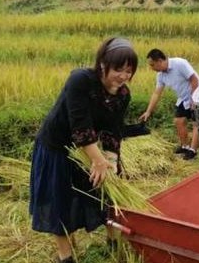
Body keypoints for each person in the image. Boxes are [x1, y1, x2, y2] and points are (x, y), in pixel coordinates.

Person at [29, 37, 138, 263]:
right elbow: (80, 125)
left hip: (88, 150)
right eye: (118, 69)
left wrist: (112, 159)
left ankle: (112, 239)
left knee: (107, 191)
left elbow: (114, 129)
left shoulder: (123, 94)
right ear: (102, 64)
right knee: (58, 199)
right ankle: (65, 256)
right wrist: (98, 161)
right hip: (58, 146)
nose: (123, 76)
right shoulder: (80, 80)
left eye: (129, 71)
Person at [139, 49, 199, 160]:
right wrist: (148, 111)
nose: (151, 68)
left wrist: (194, 100)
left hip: (197, 95)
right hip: (183, 98)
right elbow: (157, 93)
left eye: (152, 65)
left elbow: (194, 80)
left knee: (196, 123)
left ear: (160, 61)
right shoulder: (161, 75)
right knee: (178, 121)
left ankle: (193, 151)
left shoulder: (179, 63)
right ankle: (185, 146)